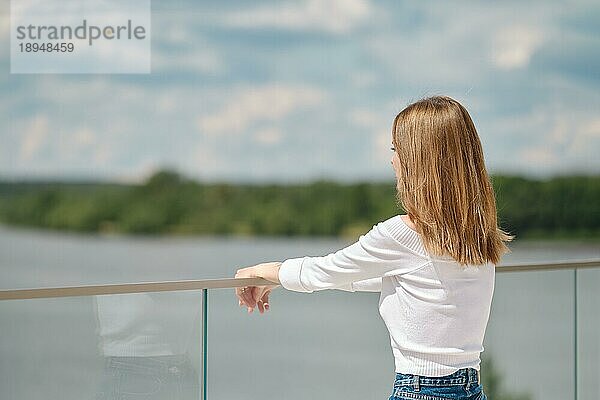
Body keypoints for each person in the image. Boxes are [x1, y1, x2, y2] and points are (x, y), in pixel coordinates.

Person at [234, 95, 512, 400]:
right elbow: (396, 279)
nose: (391, 160)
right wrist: (283, 279)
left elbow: (326, 271)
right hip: (471, 389)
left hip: (421, 391)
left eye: (396, 150)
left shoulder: (401, 235)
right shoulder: (475, 235)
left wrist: (264, 271)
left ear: (418, 161)